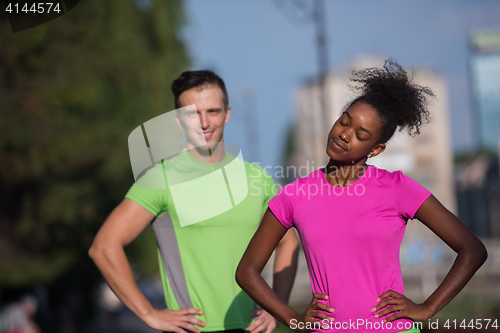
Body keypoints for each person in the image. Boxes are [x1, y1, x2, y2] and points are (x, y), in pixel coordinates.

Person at [236, 60, 488, 333]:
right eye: (344, 121)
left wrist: (426, 308)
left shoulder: (396, 188)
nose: (344, 135)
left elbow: (472, 249)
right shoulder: (295, 195)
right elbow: (247, 271)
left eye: (360, 134)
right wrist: (292, 318)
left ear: (376, 149)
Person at [89, 70, 299, 333]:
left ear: (227, 113)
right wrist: (149, 313)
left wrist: (276, 307)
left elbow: (287, 239)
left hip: (251, 329)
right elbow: (104, 247)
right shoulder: (161, 178)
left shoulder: (257, 178)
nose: (204, 122)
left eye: (212, 111)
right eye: (192, 113)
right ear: (178, 119)